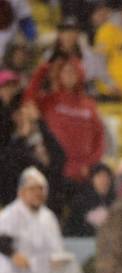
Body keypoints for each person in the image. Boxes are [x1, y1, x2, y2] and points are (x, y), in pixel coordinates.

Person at [23, 57, 106, 192]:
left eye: (72, 72)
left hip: (81, 173)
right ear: (59, 75)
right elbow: (29, 100)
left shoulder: (89, 105)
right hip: (54, 169)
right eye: (65, 72)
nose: (69, 75)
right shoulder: (50, 100)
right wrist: (41, 72)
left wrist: (89, 164)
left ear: (80, 74)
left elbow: (99, 138)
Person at [0, 168, 64, 273]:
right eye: (32, 189)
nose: (37, 193)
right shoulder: (12, 213)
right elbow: (2, 240)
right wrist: (13, 255)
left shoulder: (48, 217)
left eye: (41, 189)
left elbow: (57, 247)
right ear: (21, 192)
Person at [1, 102, 66, 217]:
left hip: (46, 208)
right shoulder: (11, 143)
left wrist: (40, 122)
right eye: (21, 115)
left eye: (30, 119)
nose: (26, 121)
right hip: (17, 208)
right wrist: (21, 137)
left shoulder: (44, 141)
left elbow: (60, 158)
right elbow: (10, 163)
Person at [64, 163, 115, 237]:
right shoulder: (81, 202)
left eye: (106, 176)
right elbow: (72, 227)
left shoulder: (116, 202)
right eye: (99, 176)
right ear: (92, 180)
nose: (103, 180)